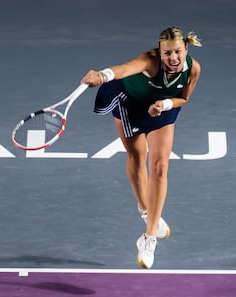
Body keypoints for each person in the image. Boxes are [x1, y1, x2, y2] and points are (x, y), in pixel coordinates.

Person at [81, 26, 201, 269]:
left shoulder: (194, 69)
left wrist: (165, 104)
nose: (173, 58)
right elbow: (123, 70)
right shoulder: (150, 60)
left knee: (159, 166)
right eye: (167, 53)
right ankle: (146, 209)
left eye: (177, 52)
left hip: (161, 108)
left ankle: (148, 238)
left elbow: (184, 98)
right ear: (160, 52)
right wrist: (102, 76)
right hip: (131, 105)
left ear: (186, 49)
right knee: (137, 159)